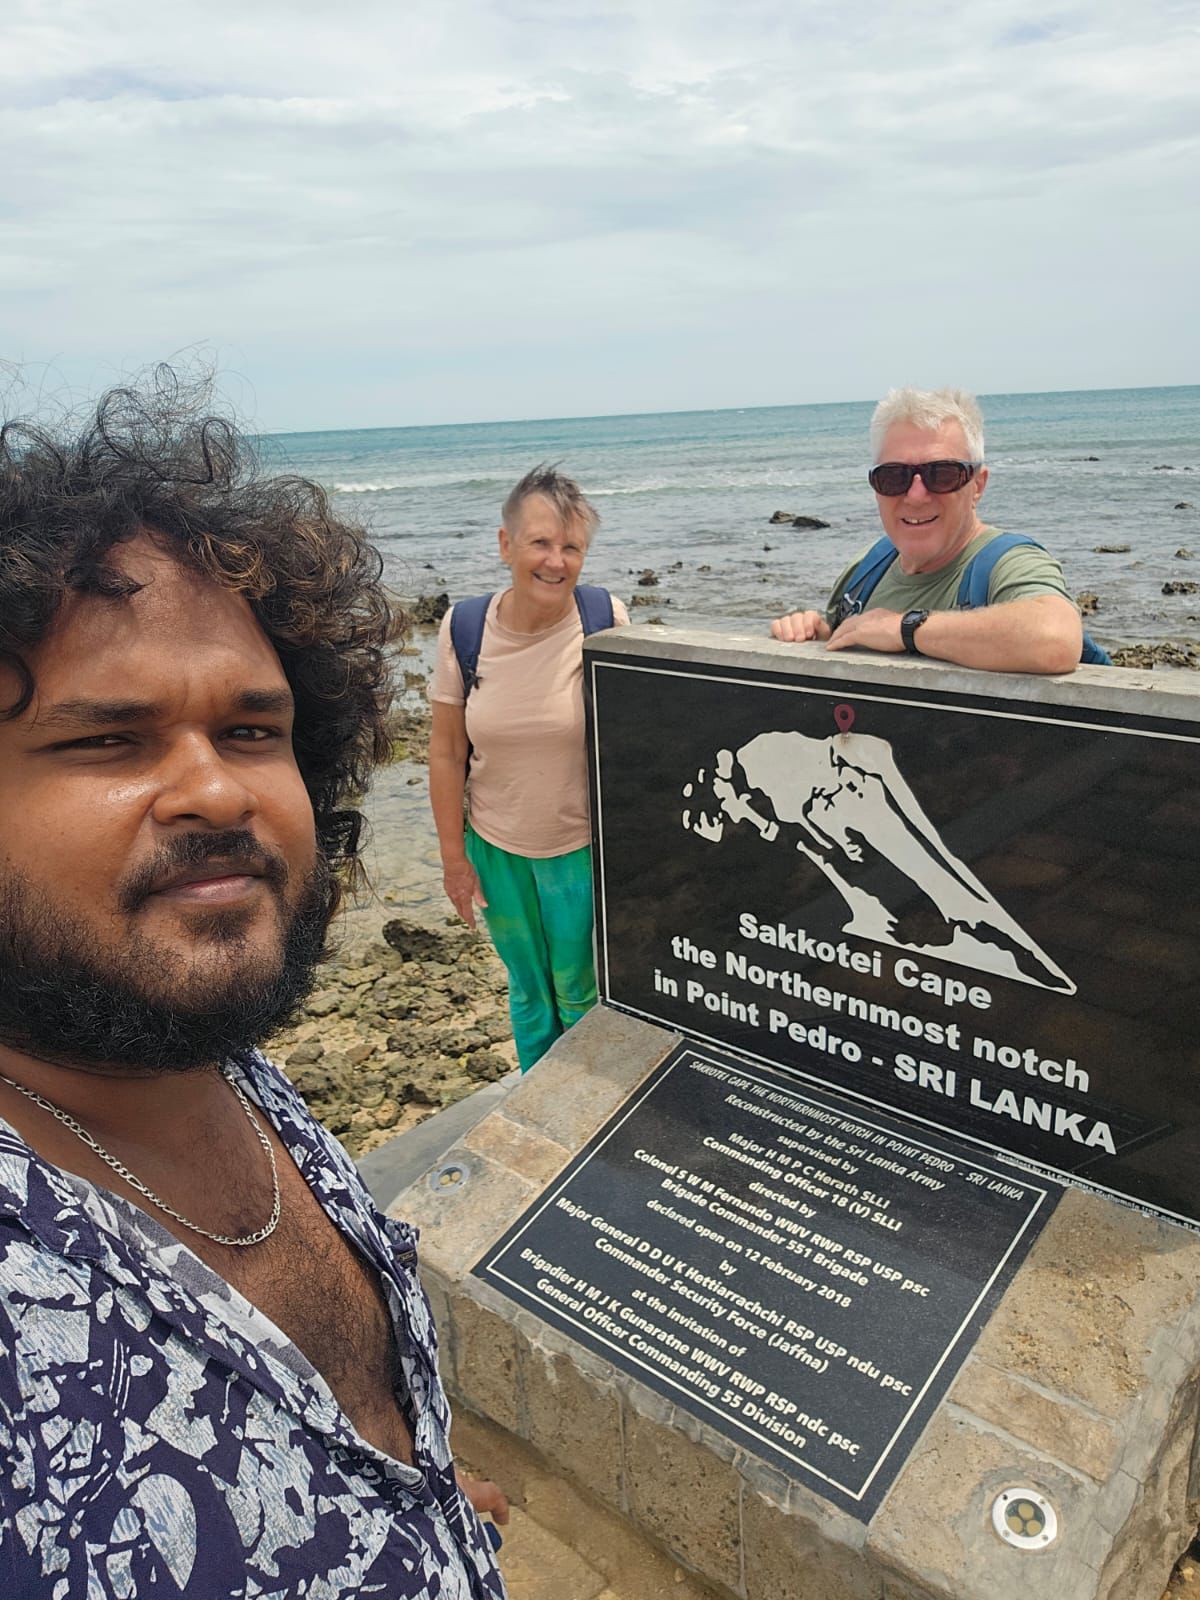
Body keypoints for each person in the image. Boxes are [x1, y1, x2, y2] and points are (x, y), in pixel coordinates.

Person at [0, 376, 507, 1598]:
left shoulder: (205, 1059)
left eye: (250, 731)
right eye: (104, 740)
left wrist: (416, 1505)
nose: (217, 792)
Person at [428, 465, 629, 1071]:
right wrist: (453, 861)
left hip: (581, 848)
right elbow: (445, 751)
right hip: (494, 848)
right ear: (506, 544)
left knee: (578, 990)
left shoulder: (604, 619)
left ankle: (588, 1102)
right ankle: (536, 1098)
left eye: (572, 547)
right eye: (541, 542)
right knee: (528, 992)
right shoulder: (464, 628)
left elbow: (638, 743)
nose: (556, 561)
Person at [771, 386, 1084, 673]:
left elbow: (1054, 638)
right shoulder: (867, 569)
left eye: (942, 474)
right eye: (894, 476)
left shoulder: (1008, 563)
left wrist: (904, 629)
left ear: (977, 485)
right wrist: (818, 635)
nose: (916, 495)